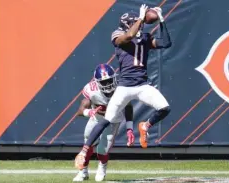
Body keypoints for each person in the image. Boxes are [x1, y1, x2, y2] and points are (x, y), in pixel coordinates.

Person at [75, 4, 172, 170]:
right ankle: (84, 151)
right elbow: (128, 37)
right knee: (106, 120)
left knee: (165, 108)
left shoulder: (146, 38)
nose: (140, 24)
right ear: (128, 24)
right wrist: (141, 18)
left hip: (142, 85)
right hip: (125, 86)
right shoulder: (118, 35)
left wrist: (162, 21)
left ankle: (146, 125)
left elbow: (166, 43)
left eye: (139, 21)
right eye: (136, 22)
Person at [73, 63, 135, 182]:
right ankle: (83, 172)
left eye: (109, 80)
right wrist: (88, 112)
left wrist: (129, 128)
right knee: (88, 143)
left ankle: (102, 168)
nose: (107, 84)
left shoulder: (121, 88)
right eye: (104, 82)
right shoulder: (91, 90)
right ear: (96, 82)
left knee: (102, 150)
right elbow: (80, 111)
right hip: (96, 118)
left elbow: (128, 107)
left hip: (113, 121)